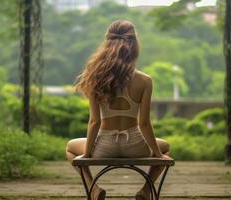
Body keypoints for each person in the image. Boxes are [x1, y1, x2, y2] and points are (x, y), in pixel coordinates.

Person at [65, 20, 170, 200]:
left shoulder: (95, 76)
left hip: (104, 146)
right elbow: (144, 123)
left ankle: (93, 188)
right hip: (136, 146)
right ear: (134, 44)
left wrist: (88, 153)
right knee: (166, 148)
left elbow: (95, 122)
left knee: (70, 148)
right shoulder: (145, 80)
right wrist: (158, 154)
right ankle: (145, 190)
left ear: (107, 43)